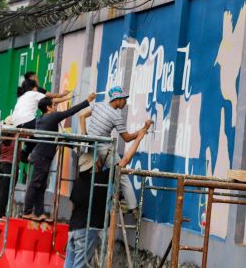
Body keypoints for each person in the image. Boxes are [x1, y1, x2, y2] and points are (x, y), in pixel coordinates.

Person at [64, 128, 147, 268]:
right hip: (87, 230)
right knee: (79, 265)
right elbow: (125, 160)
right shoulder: (101, 178)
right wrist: (138, 138)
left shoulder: (78, 182)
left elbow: (74, 205)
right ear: (94, 165)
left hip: (73, 229)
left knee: (69, 264)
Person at [22, 92, 96, 221]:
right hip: (42, 156)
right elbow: (70, 112)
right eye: (54, 105)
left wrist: (72, 145)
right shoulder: (52, 117)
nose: (56, 107)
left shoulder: (41, 119)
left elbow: (55, 137)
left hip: (41, 156)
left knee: (41, 185)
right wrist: (87, 101)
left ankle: (40, 213)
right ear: (49, 108)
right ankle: (27, 211)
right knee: (35, 184)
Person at [78, 86, 152, 215]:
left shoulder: (98, 105)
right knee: (121, 174)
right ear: (117, 99)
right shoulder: (115, 116)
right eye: (124, 99)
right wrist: (142, 130)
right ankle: (133, 208)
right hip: (104, 148)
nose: (125, 102)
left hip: (92, 147)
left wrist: (85, 135)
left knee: (100, 178)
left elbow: (81, 116)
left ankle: (118, 199)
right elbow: (127, 138)